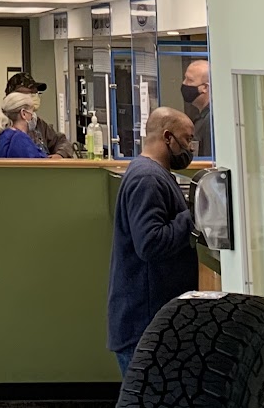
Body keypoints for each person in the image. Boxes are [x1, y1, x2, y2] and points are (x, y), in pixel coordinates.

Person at [107, 106, 197, 376]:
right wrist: (195, 214)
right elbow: (150, 243)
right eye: (187, 139)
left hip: (151, 324)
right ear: (168, 137)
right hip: (144, 327)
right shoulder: (147, 178)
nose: (190, 147)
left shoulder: (152, 173)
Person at [5, 71, 76, 158]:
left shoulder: (38, 124)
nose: (34, 96)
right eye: (28, 93)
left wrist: (59, 154)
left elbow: (62, 141)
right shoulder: (3, 128)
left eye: (35, 93)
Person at [0, 90, 48, 159]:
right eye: (32, 112)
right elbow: (38, 164)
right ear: (23, 113)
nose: (33, 116)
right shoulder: (19, 139)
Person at [180, 59, 213, 160]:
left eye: (189, 80)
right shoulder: (202, 117)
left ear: (205, 87)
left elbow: (210, 161)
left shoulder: (211, 120)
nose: (184, 83)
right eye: (185, 78)